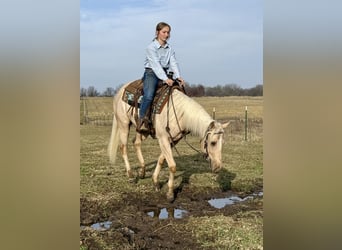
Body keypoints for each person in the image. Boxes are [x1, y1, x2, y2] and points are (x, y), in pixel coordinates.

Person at [137, 22, 185, 133]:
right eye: (164, 32)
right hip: (151, 73)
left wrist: (178, 76)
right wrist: (165, 79)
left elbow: (173, 63)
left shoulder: (169, 48)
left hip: (164, 73)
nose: (166, 35)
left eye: (168, 32)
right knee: (148, 96)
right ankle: (142, 119)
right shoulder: (151, 47)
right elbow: (155, 65)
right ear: (157, 32)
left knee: (179, 91)